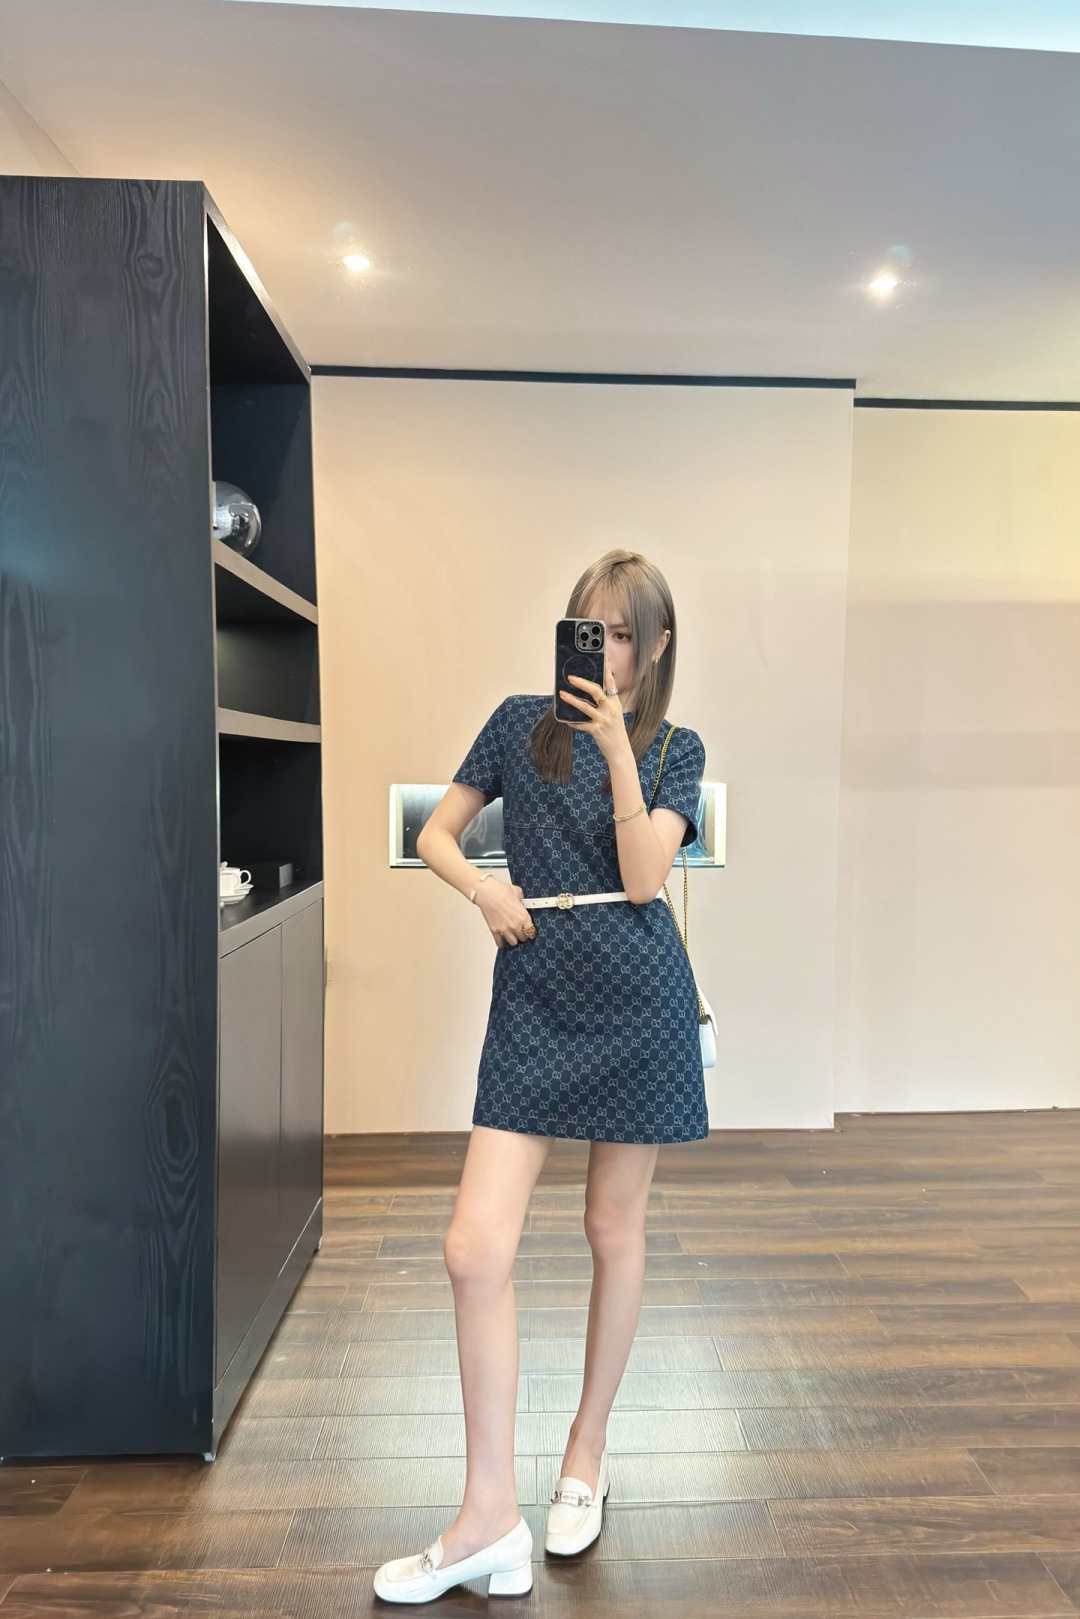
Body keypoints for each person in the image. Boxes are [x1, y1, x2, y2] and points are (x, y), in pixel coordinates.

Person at [373, 549, 708, 1603]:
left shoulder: (677, 749)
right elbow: (435, 832)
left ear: (655, 647)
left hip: (639, 999)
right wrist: (483, 888)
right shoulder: (519, 723)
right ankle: (488, 1516)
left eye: (623, 634)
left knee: (613, 1228)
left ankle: (585, 1452)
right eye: (589, 627)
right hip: (535, 989)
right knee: (474, 1247)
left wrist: (616, 746)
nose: (604, 650)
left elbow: (645, 879)